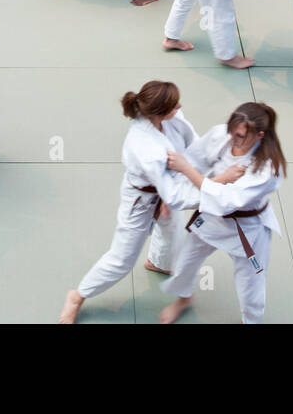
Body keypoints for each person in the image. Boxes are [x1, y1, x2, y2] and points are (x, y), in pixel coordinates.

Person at [59, 81, 209, 325]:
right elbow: (174, 195)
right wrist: (213, 194)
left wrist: (194, 174)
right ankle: (77, 296)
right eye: (174, 105)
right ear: (159, 112)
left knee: (175, 239)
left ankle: (159, 263)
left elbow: (195, 146)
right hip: (141, 200)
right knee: (122, 259)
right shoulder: (144, 145)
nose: (180, 106)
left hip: (172, 185)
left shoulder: (172, 118)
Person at [159, 101, 286, 325]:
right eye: (231, 131)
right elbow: (195, 159)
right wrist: (172, 193)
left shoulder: (268, 168)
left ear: (259, 135)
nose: (232, 138)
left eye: (240, 136)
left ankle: (250, 321)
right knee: (184, 262)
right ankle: (184, 299)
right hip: (212, 219)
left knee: (251, 285)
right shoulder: (222, 135)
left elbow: (225, 200)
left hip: (248, 229)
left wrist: (186, 170)